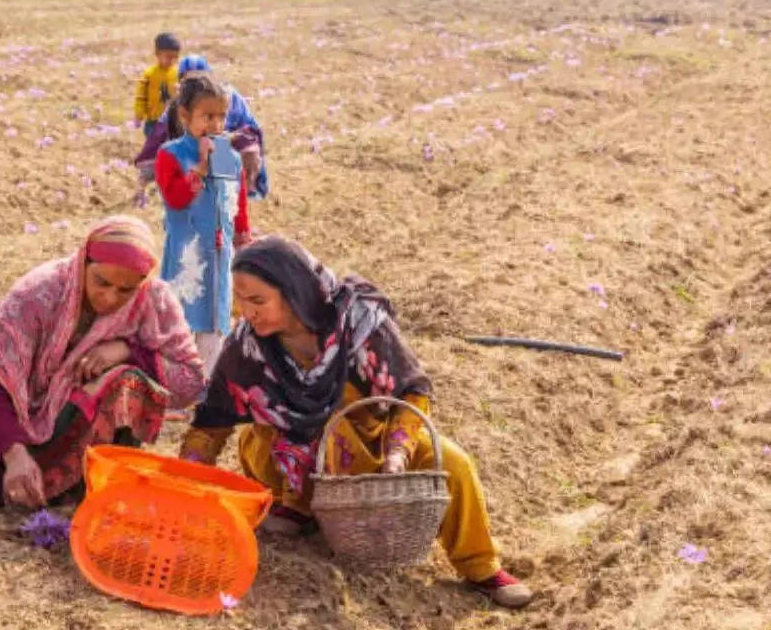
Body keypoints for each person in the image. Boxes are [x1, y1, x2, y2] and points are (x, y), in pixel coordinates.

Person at [176, 237, 534, 609]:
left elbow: (412, 394)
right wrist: (185, 479)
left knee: (453, 464)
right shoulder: (248, 346)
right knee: (257, 432)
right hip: (292, 461)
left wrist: (397, 455)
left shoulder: (361, 326)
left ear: (294, 292)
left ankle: (482, 568)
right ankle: (298, 506)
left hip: (370, 444)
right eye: (240, 299)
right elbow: (212, 420)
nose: (245, 311)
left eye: (257, 301)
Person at [0, 216, 204, 520]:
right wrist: (15, 454)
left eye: (125, 290)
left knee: (127, 380)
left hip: (77, 422)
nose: (110, 297)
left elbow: (191, 380)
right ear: (83, 262)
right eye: (101, 282)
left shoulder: (154, 300)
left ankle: (89, 488)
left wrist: (127, 351)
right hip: (19, 413)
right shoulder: (37, 293)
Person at [154, 75, 252, 377]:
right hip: (188, 255)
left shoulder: (230, 158)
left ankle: (205, 388)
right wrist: (199, 169)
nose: (216, 124)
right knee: (181, 318)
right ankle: (174, 387)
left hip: (220, 254)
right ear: (185, 116)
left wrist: (243, 235)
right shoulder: (170, 154)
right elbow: (176, 199)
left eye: (222, 116)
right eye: (207, 116)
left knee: (215, 319)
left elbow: (238, 200)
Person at [134, 55, 269, 202]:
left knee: (248, 148)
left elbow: (249, 126)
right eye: (190, 81)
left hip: (226, 145)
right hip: (192, 149)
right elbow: (159, 135)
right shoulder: (179, 103)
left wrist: (233, 139)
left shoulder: (230, 96)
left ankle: (248, 190)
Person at [134, 32, 181, 138]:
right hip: (153, 121)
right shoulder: (149, 74)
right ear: (157, 53)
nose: (172, 60)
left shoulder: (177, 74)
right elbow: (141, 97)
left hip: (172, 120)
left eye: (175, 57)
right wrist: (139, 115)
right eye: (168, 57)